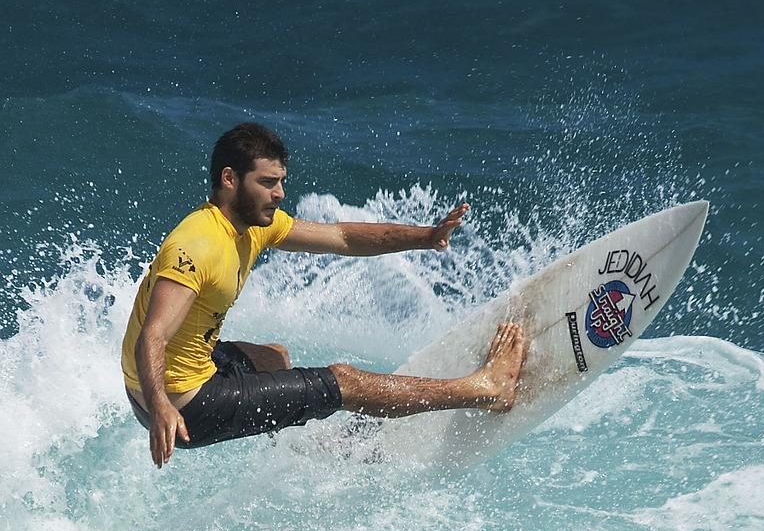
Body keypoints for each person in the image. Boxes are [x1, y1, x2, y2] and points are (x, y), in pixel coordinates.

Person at [121, 122, 526, 468]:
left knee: (272, 358)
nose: (279, 193)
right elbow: (153, 335)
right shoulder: (196, 245)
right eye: (266, 182)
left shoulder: (253, 223)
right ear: (230, 179)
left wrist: (426, 237)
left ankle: (307, 448)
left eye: (280, 182)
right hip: (186, 406)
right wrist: (161, 408)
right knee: (345, 382)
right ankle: (486, 389)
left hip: (177, 377)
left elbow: (343, 237)